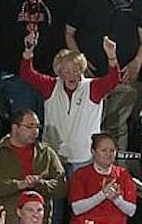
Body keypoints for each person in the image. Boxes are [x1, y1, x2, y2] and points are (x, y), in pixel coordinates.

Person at [64, 0, 142, 150]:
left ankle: (117, 171)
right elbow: (69, 33)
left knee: (117, 127)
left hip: (122, 78)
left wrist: (137, 62)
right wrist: (80, 62)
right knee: (88, 125)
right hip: (91, 79)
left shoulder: (135, 1)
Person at [21, 35, 120, 169]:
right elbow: (27, 73)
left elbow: (113, 80)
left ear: (82, 70)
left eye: (75, 70)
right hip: (54, 155)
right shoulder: (50, 85)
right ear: (59, 72)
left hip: (84, 157)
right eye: (66, 71)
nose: (71, 75)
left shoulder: (92, 87)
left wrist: (112, 56)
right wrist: (29, 50)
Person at [0, 109, 67, 224]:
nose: (35, 131)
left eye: (37, 127)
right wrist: (18, 184)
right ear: (15, 128)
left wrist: (40, 184)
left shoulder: (46, 153)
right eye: (30, 126)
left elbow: (61, 187)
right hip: (5, 220)